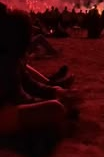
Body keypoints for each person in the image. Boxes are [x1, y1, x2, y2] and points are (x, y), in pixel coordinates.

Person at [0, 9, 79, 138]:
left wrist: (54, 91)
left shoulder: (11, 57)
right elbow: (19, 99)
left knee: (57, 105)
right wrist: (53, 101)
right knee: (55, 109)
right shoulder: (6, 62)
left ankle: (54, 86)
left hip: (8, 105)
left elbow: (29, 84)